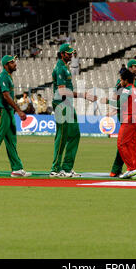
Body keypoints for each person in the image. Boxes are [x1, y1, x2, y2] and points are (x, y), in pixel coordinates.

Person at [0, 55, 31, 178]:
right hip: (2, 111)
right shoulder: (3, 77)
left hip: (8, 112)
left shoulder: (8, 76)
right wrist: (18, 110)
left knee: (11, 141)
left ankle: (17, 168)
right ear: (5, 65)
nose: (15, 64)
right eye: (11, 62)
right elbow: (6, 96)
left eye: (14, 61)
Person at [50, 44, 97, 178]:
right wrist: (83, 95)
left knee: (75, 134)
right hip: (61, 104)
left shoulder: (65, 67)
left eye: (72, 53)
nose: (71, 55)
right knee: (62, 136)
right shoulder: (60, 68)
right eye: (68, 53)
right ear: (62, 53)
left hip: (67, 104)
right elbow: (62, 91)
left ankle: (67, 167)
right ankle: (56, 169)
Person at [107, 59, 136, 178]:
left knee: (125, 143)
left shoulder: (135, 83)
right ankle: (133, 169)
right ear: (129, 68)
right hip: (127, 116)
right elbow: (117, 99)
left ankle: (124, 169)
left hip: (131, 117)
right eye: (135, 66)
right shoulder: (123, 82)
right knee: (130, 143)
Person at [110, 69, 136, 179]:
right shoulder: (135, 90)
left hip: (128, 119)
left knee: (121, 143)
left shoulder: (126, 89)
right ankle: (135, 170)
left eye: (121, 79)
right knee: (132, 146)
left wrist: (106, 101)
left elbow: (119, 103)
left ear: (126, 80)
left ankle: (131, 168)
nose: (120, 81)